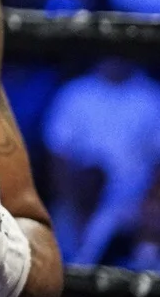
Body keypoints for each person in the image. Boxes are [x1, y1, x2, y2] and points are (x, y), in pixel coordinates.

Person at [43, 58, 160, 265]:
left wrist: (149, 206)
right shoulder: (75, 93)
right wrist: (70, 204)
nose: (116, 58)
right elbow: (57, 154)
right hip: (79, 195)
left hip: (133, 204)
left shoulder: (152, 96)